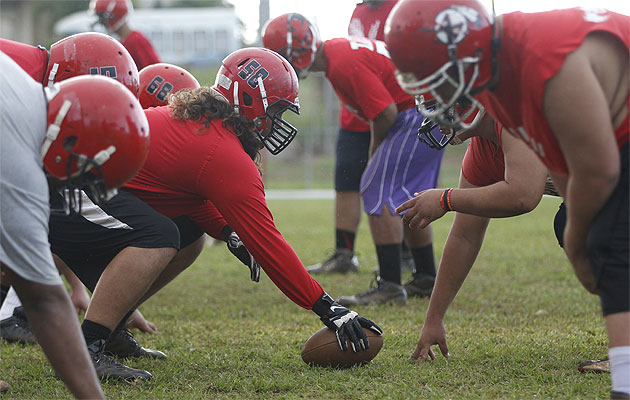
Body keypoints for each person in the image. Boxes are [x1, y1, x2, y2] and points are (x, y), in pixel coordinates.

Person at [48, 47, 382, 381]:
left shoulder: (205, 125)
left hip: (75, 182)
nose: (278, 122)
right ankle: (87, 347)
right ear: (253, 103)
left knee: (189, 236)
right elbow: (267, 242)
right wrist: (328, 308)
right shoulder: (223, 150)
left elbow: (184, 194)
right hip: (65, 188)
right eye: (277, 110)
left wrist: (227, 232)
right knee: (159, 237)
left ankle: (111, 327)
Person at [385, 1, 628, 397]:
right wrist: (434, 319)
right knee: (591, 232)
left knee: (599, 236)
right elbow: (465, 237)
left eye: (436, 81)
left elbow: (523, 194)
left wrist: (445, 199)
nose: (433, 103)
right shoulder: (489, 126)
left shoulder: (529, 76)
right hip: (613, 138)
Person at [262, 14, 444, 305]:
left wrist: (374, 151)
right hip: (424, 108)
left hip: (414, 113)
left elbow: (384, 112)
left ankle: (391, 286)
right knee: (408, 196)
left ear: (294, 53)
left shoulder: (342, 62)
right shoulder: (339, 53)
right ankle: (425, 277)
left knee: (376, 189)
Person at [1, 49, 149, 397]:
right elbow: (44, 301)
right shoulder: (18, 163)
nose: (75, 188)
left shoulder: (20, 88)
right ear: (70, 142)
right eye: (84, 177)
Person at [307, 0, 403, 275]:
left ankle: (405, 254)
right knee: (346, 185)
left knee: (394, 189)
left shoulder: (403, 7)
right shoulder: (359, 10)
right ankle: (343, 253)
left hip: (387, 107)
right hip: (356, 116)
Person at [90, 0, 161, 70]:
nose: (102, 23)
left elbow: (154, 70)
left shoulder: (136, 40)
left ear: (115, 15)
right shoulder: (121, 41)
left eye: (102, 18)